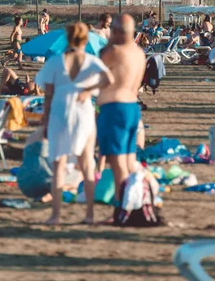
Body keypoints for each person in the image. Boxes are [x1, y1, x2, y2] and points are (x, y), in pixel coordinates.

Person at [37, 22, 113, 225]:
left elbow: (48, 96)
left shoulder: (55, 62)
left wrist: (44, 121)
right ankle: (89, 214)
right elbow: (109, 79)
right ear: (85, 39)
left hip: (60, 111)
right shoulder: (91, 60)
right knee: (87, 163)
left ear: (67, 39)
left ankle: (56, 215)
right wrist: (89, 90)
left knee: (58, 164)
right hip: (83, 112)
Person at [97, 14, 146, 206]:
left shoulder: (114, 51)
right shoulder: (139, 52)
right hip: (132, 108)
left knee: (117, 164)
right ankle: (132, 203)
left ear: (116, 32)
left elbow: (99, 66)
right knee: (128, 160)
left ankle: (121, 205)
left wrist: (109, 42)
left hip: (114, 108)